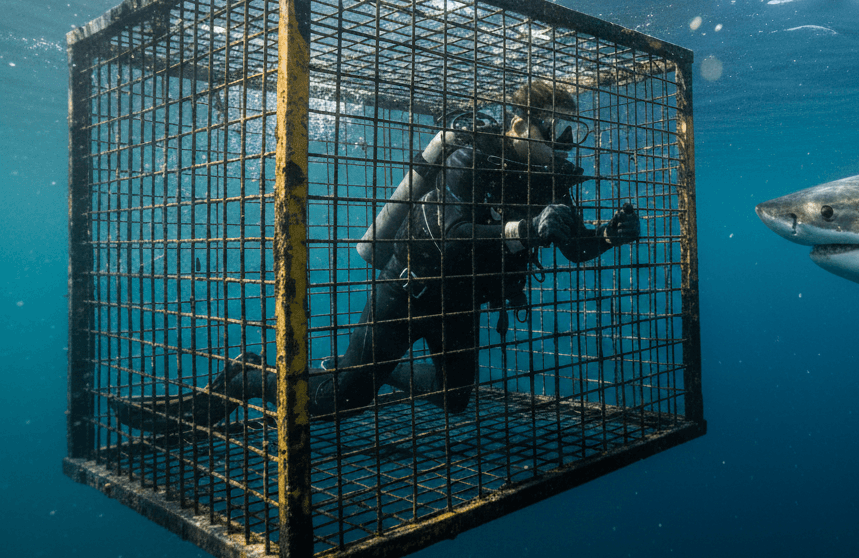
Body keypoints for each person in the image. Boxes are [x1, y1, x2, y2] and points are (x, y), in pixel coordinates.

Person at [114, 82, 641, 431]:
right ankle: (248, 375)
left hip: (461, 302)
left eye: (569, 132)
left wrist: (607, 237)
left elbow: (571, 246)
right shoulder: (470, 158)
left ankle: (363, 368)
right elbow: (455, 232)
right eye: (553, 129)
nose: (564, 143)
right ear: (520, 123)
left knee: (456, 398)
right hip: (409, 289)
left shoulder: (547, 179)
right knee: (335, 403)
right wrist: (526, 229)